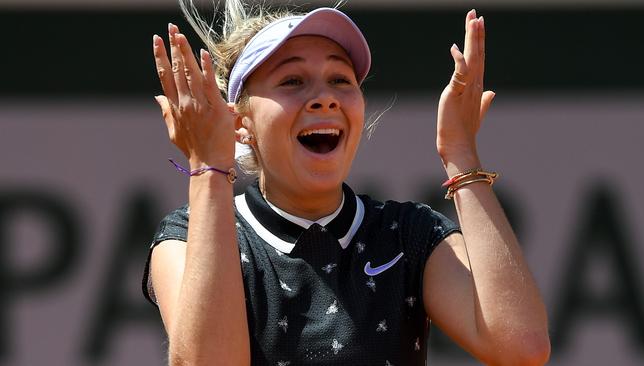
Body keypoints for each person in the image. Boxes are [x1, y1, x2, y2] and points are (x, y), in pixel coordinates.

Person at [142, 0, 551, 364]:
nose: (325, 97)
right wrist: (209, 166)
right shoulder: (184, 236)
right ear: (240, 123)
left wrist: (461, 155)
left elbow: (521, 347)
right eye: (292, 81)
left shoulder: (410, 234)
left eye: (340, 79)